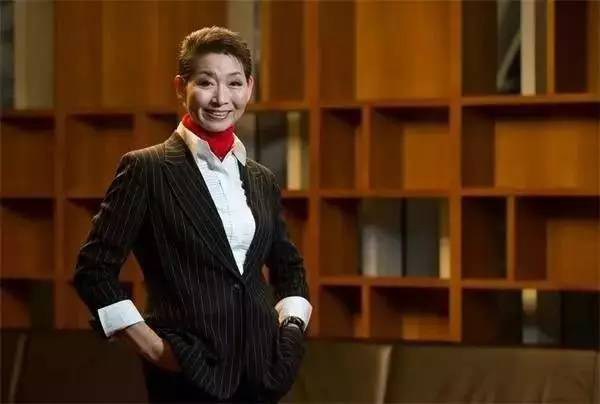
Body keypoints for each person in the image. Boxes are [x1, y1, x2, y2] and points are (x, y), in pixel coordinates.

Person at [73, 26, 312, 403]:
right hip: (185, 374)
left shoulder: (261, 179)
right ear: (180, 87)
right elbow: (93, 270)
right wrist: (154, 348)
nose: (221, 98)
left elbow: (290, 268)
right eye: (206, 82)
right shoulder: (146, 169)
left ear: (249, 88)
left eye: (234, 83)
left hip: (263, 375)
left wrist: (292, 331)